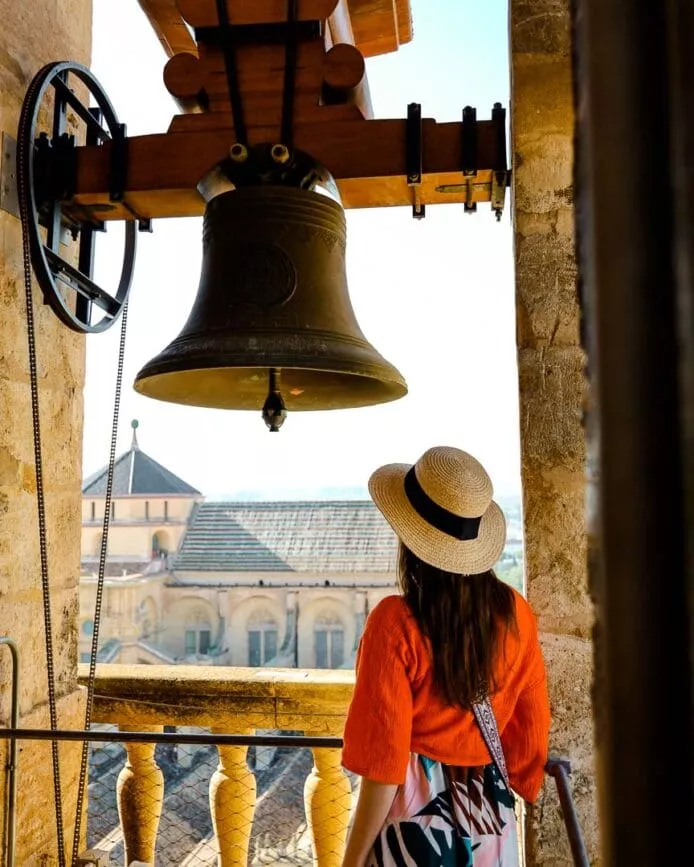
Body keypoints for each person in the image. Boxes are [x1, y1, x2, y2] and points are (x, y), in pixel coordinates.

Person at [341, 446, 550, 867]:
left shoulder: (395, 622)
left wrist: (352, 860)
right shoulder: (515, 614)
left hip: (417, 820)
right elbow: (531, 728)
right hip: (488, 817)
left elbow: (384, 767)